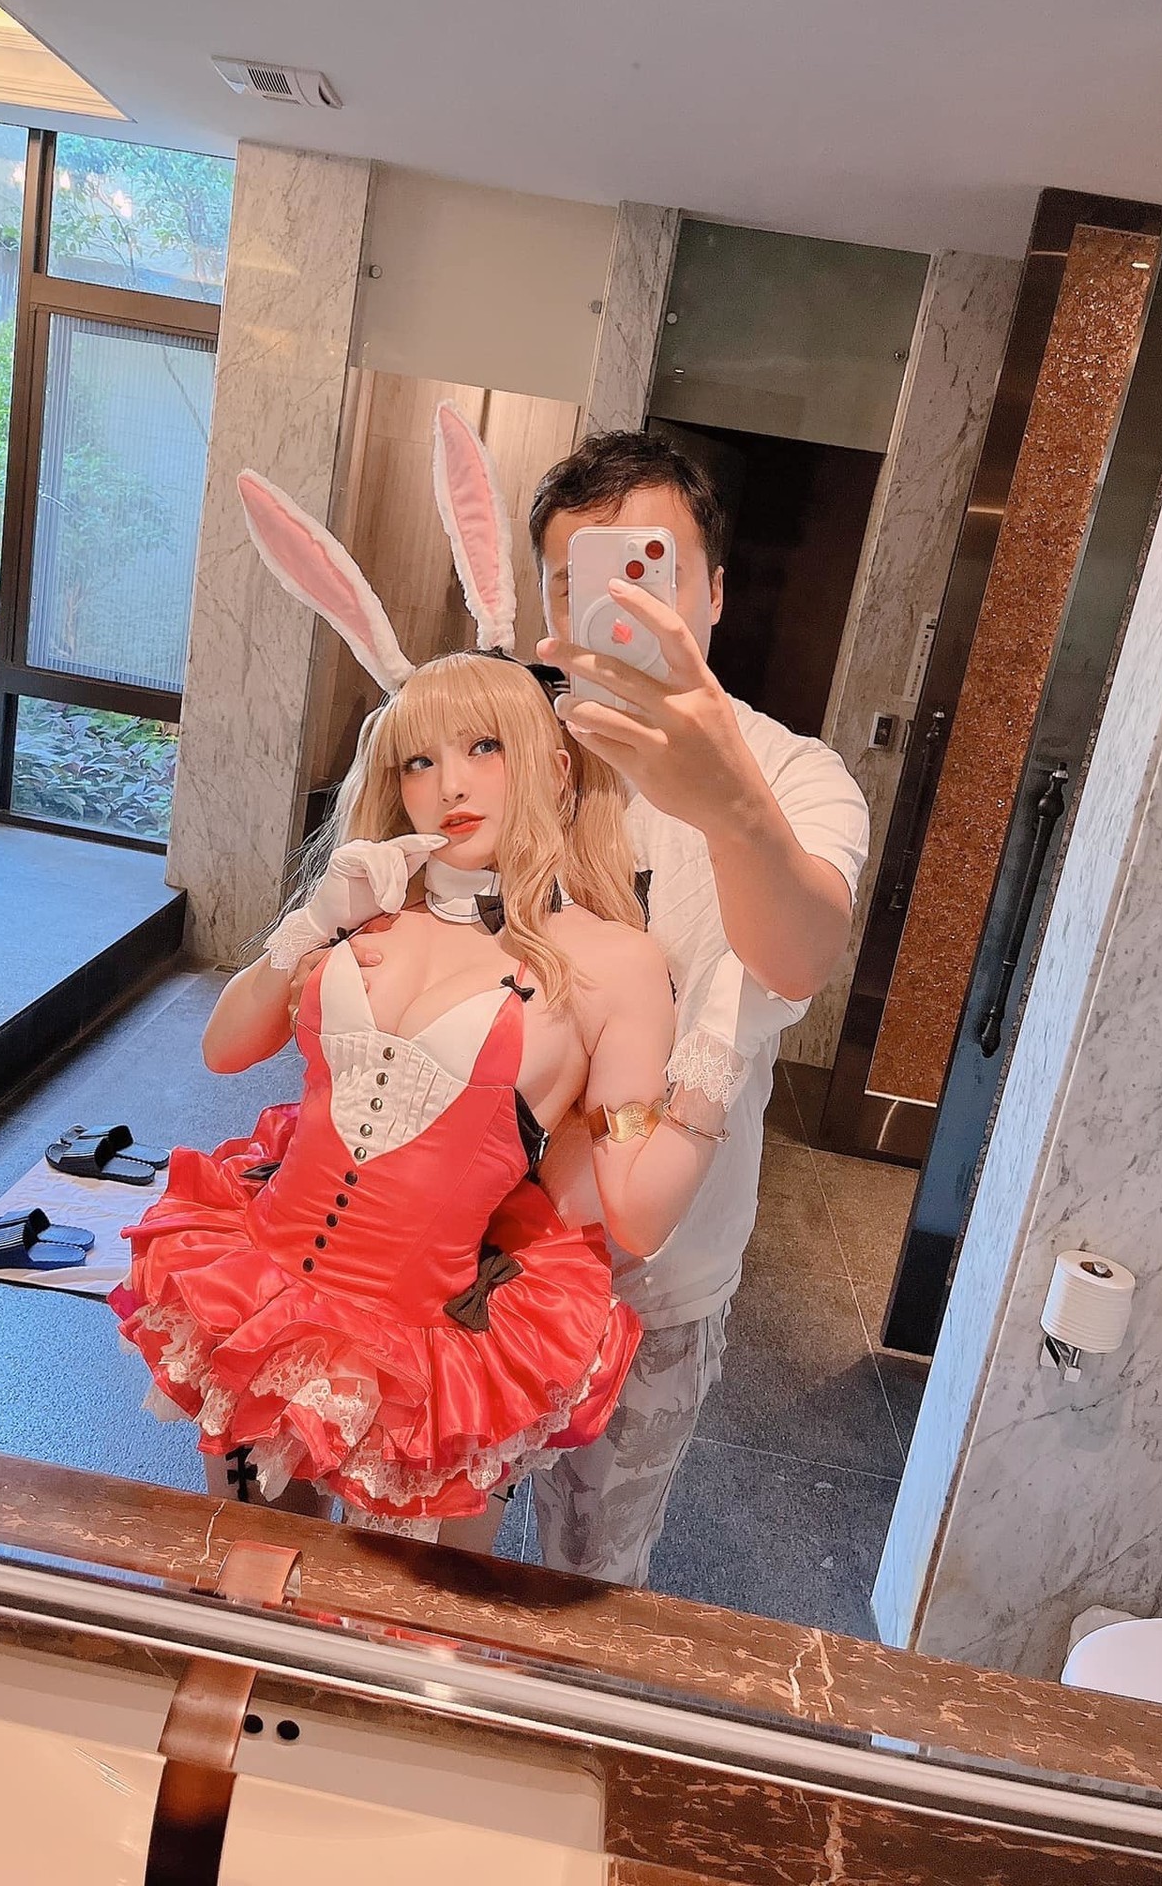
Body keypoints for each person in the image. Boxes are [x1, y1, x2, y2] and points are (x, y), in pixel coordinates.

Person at [111, 408, 722, 1544]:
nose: (453, 784)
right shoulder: (368, 906)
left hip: (435, 1350)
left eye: (486, 747)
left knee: (410, 1616)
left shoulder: (610, 960)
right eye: (420, 758)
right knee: (242, 1576)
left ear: (551, 763)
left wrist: (721, 1053)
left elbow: (634, 1214)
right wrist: (308, 925)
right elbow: (225, 1048)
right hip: (264, 1300)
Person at [309, 431, 871, 1584]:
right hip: (451, 1263)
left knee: (592, 1572)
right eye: (578, 582)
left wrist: (727, 805)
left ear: (713, 591)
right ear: (546, 604)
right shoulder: (499, 745)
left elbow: (801, 956)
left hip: (656, 1277)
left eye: (649, 570)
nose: (617, 606)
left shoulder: (794, 775)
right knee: (410, 1565)